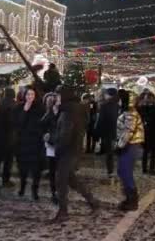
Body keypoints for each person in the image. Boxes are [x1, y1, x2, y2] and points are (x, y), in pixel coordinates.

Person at [50, 86, 100, 222]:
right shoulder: (75, 109)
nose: (56, 99)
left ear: (64, 96)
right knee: (72, 180)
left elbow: (65, 135)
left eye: (58, 96)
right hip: (74, 150)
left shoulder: (68, 112)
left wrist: (52, 140)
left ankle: (63, 211)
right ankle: (93, 201)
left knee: (60, 181)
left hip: (67, 151)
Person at [115, 90, 144, 211]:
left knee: (126, 172)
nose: (118, 101)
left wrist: (120, 145)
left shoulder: (130, 113)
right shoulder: (127, 112)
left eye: (120, 99)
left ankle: (132, 201)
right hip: (128, 145)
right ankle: (128, 198)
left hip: (130, 145)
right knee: (122, 171)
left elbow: (128, 131)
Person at [15, 86, 45, 200]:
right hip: (23, 143)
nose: (30, 97)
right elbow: (17, 123)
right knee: (23, 168)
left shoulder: (40, 108)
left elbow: (43, 123)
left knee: (36, 169)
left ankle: (34, 190)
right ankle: (22, 187)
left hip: (36, 143)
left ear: (35, 96)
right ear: (24, 96)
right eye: (28, 95)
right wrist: (25, 111)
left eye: (32, 94)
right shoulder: (19, 108)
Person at [95, 88, 119, 179]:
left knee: (109, 153)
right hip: (114, 131)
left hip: (107, 131)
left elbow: (101, 120)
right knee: (111, 152)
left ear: (109, 95)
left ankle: (110, 171)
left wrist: (97, 132)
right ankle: (111, 170)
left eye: (106, 94)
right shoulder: (116, 106)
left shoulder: (104, 106)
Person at [138, 92, 155, 176]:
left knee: (148, 151)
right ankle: (149, 168)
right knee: (151, 152)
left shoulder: (141, 108)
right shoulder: (153, 109)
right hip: (151, 132)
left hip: (149, 132)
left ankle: (145, 168)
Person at [41, 93, 59, 204]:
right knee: (53, 171)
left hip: (61, 145)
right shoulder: (48, 114)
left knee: (59, 170)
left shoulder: (62, 113)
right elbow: (41, 127)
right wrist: (45, 136)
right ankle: (54, 192)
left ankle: (58, 191)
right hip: (52, 146)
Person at [0, 88, 17, 187]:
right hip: (10, 136)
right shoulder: (14, 105)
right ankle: (5, 180)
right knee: (8, 160)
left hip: (0, 135)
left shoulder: (0, 103)